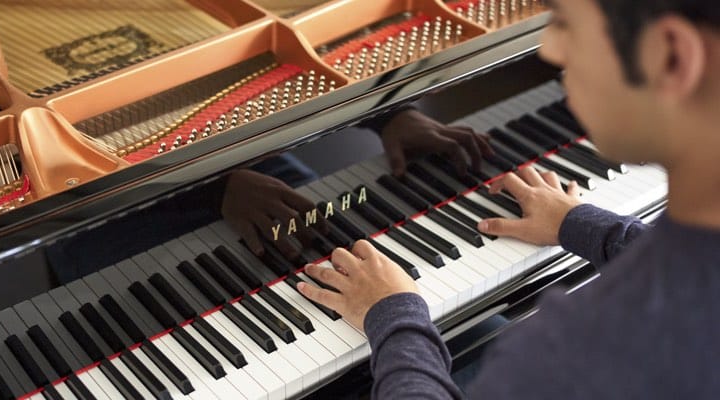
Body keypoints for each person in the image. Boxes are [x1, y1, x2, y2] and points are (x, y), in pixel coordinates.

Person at [297, 0, 720, 398]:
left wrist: (394, 315)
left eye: (567, 24)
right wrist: (587, 225)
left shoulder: (566, 357)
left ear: (671, 57)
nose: (551, 49)